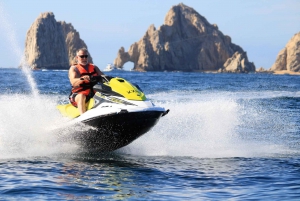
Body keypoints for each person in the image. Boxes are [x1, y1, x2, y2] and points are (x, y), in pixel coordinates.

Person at [68, 48, 104, 114]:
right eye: (82, 56)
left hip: (93, 93)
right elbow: (73, 82)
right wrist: (82, 78)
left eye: (86, 56)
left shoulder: (94, 67)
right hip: (78, 94)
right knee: (82, 96)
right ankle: (83, 118)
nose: (84, 58)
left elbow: (104, 78)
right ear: (77, 57)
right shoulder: (74, 68)